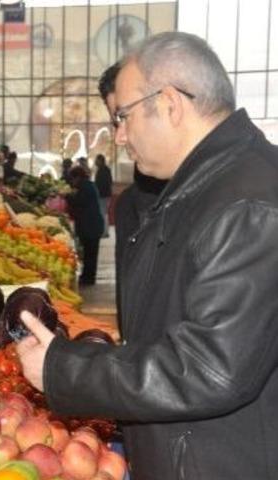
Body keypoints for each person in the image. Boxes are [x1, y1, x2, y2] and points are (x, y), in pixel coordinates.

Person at [16, 32, 278, 479]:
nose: (118, 135)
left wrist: (65, 370)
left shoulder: (245, 204)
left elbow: (210, 367)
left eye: (123, 116)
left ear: (171, 103)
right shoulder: (205, 185)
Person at [99, 62, 166, 332]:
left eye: (124, 117)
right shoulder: (130, 205)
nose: (120, 137)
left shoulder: (232, 198)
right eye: (115, 121)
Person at [65, 166, 104, 285]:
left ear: (78, 177)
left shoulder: (85, 187)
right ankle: (87, 276)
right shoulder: (88, 185)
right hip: (91, 225)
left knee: (90, 254)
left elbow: (78, 202)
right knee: (89, 253)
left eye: (73, 179)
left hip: (90, 226)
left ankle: (89, 277)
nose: (72, 182)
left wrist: (67, 196)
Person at [92, 154, 112, 237]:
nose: (95, 162)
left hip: (102, 195)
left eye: (97, 160)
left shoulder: (102, 170)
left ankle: (104, 232)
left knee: (102, 213)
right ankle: (105, 231)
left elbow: (101, 184)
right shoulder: (106, 170)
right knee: (104, 213)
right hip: (105, 195)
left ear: (100, 160)